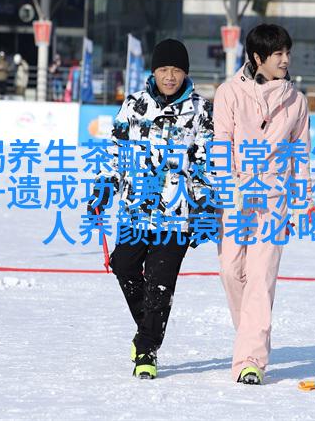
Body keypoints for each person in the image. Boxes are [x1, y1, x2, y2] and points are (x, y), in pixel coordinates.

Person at [89, 39, 214, 380]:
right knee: (123, 265)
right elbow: (116, 152)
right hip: (135, 208)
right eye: (163, 70)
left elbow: (205, 163)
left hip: (177, 212)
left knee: (160, 283)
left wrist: (204, 205)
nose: (169, 77)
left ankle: (146, 350)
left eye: (176, 70)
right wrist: (104, 188)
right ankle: (148, 329)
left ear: (185, 73)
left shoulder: (201, 110)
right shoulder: (134, 106)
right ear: (154, 72)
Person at [213, 24, 315, 385]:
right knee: (230, 271)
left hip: (274, 200)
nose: (286, 60)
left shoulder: (296, 101)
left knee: (260, 277)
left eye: (288, 53)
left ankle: (251, 360)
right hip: (236, 198)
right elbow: (221, 143)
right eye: (278, 54)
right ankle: (250, 336)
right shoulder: (228, 93)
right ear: (258, 58)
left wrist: (304, 199)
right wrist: (230, 188)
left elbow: (300, 154)